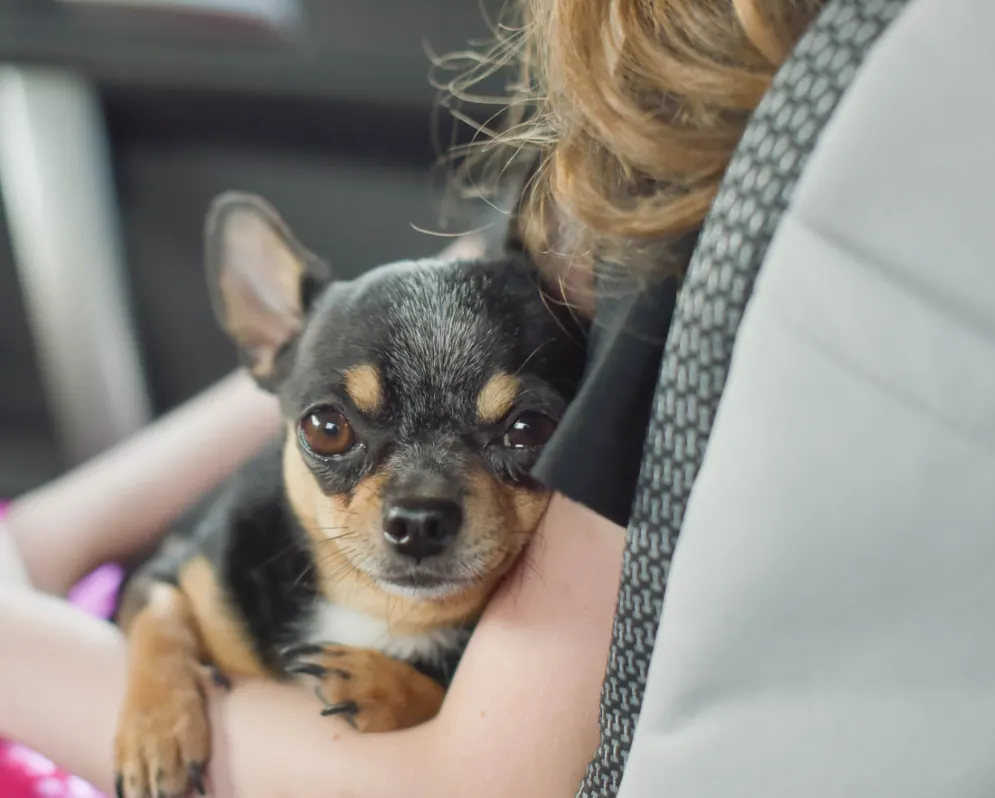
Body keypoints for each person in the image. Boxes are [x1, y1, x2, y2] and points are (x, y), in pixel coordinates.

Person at [0, 1, 825, 796]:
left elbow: (474, 780)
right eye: (334, 432)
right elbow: (160, 590)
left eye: (524, 431)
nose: (417, 508)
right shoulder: (242, 547)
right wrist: (114, 626)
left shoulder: (655, 299)